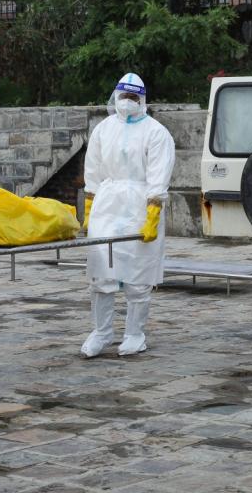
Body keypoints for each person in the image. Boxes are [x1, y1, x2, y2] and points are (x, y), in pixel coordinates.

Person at [80, 73, 176, 357]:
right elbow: (93, 169)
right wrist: (88, 208)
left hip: (139, 205)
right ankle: (102, 332)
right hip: (106, 207)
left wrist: (153, 213)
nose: (128, 102)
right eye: (124, 96)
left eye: (134, 98)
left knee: (138, 275)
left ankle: (134, 334)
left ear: (142, 100)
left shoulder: (156, 132)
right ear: (116, 97)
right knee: (101, 274)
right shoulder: (103, 129)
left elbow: (159, 173)